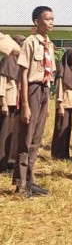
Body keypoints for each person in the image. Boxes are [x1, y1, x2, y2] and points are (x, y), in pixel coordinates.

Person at [13, 6, 56, 198]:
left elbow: (49, 73)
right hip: (31, 90)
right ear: (36, 22)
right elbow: (22, 74)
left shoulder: (49, 44)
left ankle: (30, 181)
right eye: (47, 19)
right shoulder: (30, 43)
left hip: (44, 90)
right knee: (26, 138)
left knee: (37, 140)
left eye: (52, 19)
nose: (51, 22)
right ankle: (20, 184)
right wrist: (26, 105)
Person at [0, 35, 25, 173]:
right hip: (7, 102)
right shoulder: (7, 60)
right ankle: (2, 163)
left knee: (15, 133)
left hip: (17, 101)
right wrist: (3, 102)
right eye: (21, 43)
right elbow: (1, 83)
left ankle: (11, 161)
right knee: (4, 133)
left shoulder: (19, 62)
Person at [51, 48, 72, 159]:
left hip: (71, 104)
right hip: (64, 104)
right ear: (68, 57)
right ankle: (57, 153)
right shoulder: (62, 70)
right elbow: (59, 89)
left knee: (67, 129)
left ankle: (65, 153)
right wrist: (60, 105)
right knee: (60, 128)